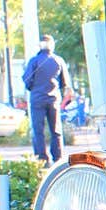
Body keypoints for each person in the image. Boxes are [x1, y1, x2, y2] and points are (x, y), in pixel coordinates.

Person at [21, 35, 73, 164]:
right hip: (53, 98)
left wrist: (34, 87)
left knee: (38, 130)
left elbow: (27, 79)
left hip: (37, 98)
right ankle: (58, 158)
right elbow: (65, 82)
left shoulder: (34, 61)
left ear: (40, 45)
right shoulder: (58, 60)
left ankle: (42, 159)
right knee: (56, 129)